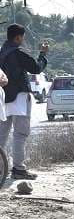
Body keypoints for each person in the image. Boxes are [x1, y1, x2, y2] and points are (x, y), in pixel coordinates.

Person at [0, 24, 48, 180]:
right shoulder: (18, 53)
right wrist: (43, 54)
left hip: (3, 98)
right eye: (23, 37)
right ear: (18, 37)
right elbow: (36, 68)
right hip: (20, 98)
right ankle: (18, 169)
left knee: (1, 136)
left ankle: (2, 169)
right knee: (20, 134)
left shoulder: (2, 52)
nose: (23, 40)